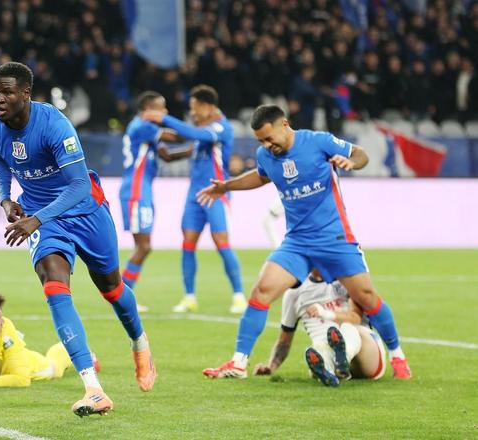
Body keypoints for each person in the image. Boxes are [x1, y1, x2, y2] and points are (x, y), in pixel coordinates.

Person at [0, 62, 156, 417]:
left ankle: (139, 341)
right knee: (54, 287)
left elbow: (78, 186)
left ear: (26, 94)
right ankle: (93, 388)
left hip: (84, 210)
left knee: (111, 288)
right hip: (42, 220)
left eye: (7, 92)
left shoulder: (54, 125)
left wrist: (35, 220)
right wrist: (6, 199)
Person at [197, 104, 411, 380]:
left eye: (269, 138)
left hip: (333, 238)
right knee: (262, 290)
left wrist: (351, 163)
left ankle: (397, 356)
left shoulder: (318, 141)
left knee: (367, 297)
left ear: (284, 124)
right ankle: (239, 363)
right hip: (297, 242)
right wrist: (226, 186)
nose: (266, 145)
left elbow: (360, 154)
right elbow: (261, 176)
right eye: (261, 141)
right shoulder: (265, 155)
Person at [143, 85, 247, 314]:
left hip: (216, 193)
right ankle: (189, 297)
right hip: (194, 195)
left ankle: (239, 296)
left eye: (194, 108)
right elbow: (193, 147)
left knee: (221, 242)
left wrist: (163, 118)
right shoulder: (204, 129)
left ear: (207, 107)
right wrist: (170, 155)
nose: (192, 113)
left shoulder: (221, 127)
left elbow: (195, 135)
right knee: (188, 243)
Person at [239, 271, 386, 387]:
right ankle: (328, 372)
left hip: (366, 353)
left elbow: (355, 318)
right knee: (320, 347)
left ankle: (342, 358)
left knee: (348, 328)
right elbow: (284, 341)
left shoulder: (347, 279)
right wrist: (270, 367)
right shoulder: (294, 293)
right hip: (326, 347)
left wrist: (325, 313)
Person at [119, 91, 193, 312]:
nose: (165, 112)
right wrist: (196, 135)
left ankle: (123, 295)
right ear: (148, 110)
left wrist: (192, 151)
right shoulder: (142, 126)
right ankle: (122, 296)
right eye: (161, 108)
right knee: (144, 246)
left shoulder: (147, 132)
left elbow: (167, 155)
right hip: (136, 191)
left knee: (143, 246)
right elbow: (179, 136)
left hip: (143, 192)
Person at [0, 288, 88, 388]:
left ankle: (75, 349)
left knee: (54, 368)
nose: (3, 322)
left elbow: (21, 379)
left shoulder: (6, 329)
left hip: (32, 365)